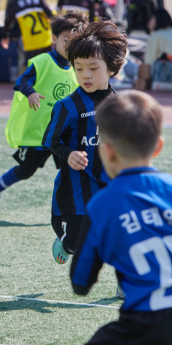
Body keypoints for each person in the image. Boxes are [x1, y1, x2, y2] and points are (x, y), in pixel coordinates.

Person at [70, 90, 172, 344]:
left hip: (145, 324)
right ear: (158, 146)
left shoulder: (102, 205)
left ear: (107, 151)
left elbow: (80, 282)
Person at [42, 20, 128, 265]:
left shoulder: (119, 105)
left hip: (111, 185)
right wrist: (68, 154)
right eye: (78, 68)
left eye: (93, 67)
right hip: (78, 188)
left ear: (111, 68)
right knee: (78, 240)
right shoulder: (68, 106)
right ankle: (67, 244)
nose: (85, 75)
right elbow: (50, 139)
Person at [0, 12, 86, 211]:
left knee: (70, 171)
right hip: (38, 133)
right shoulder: (42, 62)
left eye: (74, 41)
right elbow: (21, 82)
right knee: (25, 171)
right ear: (54, 38)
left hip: (63, 134)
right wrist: (31, 93)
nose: (69, 45)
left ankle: (70, 209)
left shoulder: (79, 68)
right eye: (65, 39)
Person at [1, 0, 55, 71]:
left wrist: (5, 36)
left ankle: (26, 86)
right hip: (46, 39)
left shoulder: (15, 3)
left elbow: (7, 21)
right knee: (46, 67)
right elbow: (51, 15)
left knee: (30, 69)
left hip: (30, 42)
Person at [135, 9, 172, 90]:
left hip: (162, 77)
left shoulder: (156, 35)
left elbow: (149, 62)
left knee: (129, 67)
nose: (149, 22)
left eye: (151, 19)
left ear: (158, 20)